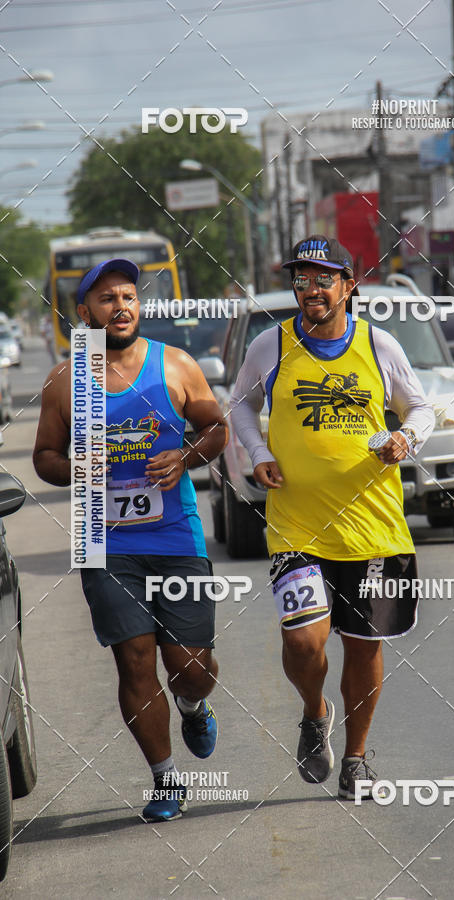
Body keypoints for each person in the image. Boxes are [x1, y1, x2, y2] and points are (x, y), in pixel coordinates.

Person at [230, 235, 435, 799]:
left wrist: (405, 437)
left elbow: (419, 407)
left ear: (349, 285)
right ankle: (315, 711)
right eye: (302, 278)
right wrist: (260, 453)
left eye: (324, 278)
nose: (311, 289)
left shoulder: (380, 344)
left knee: (365, 646)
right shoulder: (269, 346)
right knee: (304, 642)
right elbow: (241, 406)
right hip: (297, 525)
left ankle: (357, 758)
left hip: (373, 528)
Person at [33, 259, 228, 822]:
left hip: (176, 536)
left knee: (189, 665)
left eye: (128, 296)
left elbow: (217, 427)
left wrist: (185, 455)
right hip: (103, 543)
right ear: (84, 313)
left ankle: (192, 703)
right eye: (105, 298)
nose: (120, 306)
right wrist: (75, 468)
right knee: (135, 661)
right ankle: (165, 780)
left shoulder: (176, 365)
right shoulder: (66, 380)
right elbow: (45, 457)